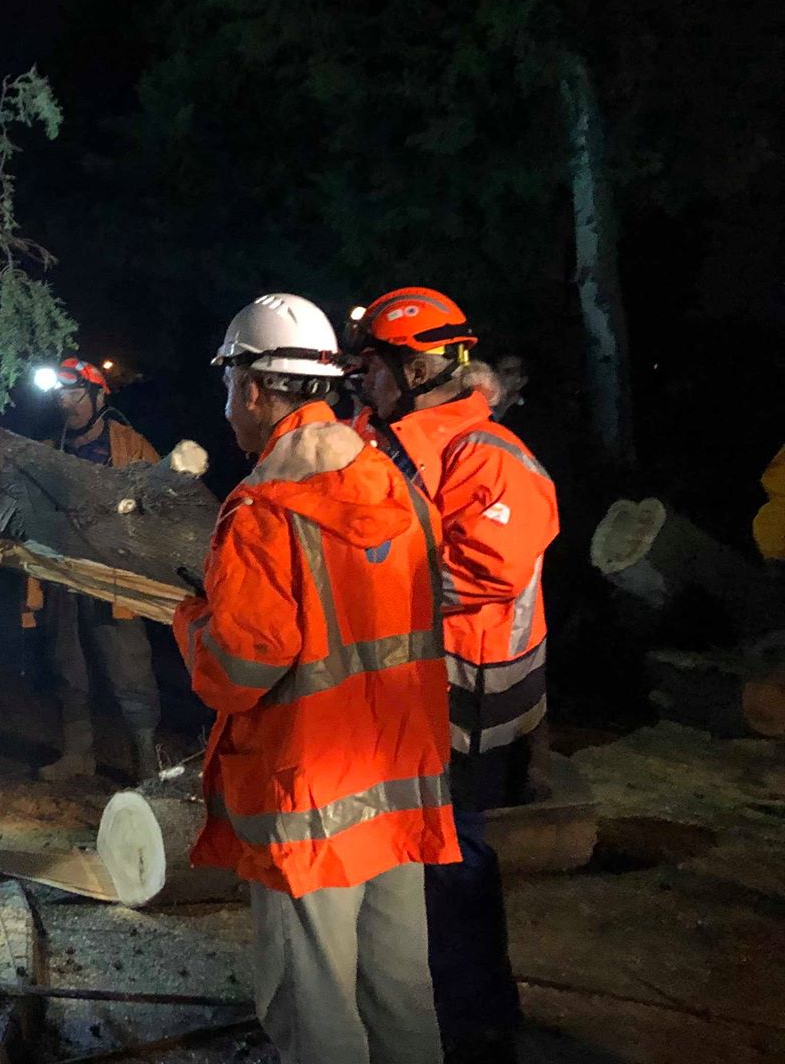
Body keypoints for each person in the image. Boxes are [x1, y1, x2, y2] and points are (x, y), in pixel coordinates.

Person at [175, 293, 457, 1064]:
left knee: (314, 1013)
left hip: (311, 803)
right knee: (401, 999)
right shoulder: (393, 480)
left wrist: (191, 620)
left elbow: (241, 668)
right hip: (400, 786)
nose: (229, 407)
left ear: (257, 389)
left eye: (231, 388)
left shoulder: (266, 510)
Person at [351, 287, 560, 1064]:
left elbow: (482, 573)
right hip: (406, 694)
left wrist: (354, 575)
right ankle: (422, 1009)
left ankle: (477, 1023)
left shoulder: (490, 457)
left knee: (454, 862)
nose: (359, 378)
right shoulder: (388, 436)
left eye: (372, 364)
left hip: (468, 701)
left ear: (419, 365)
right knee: (410, 859)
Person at [34, 356, 165, 781]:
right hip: (64, 575)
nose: (64, 402)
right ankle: (78, 754)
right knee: (66, 664)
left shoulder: (130, 447)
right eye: (60, 394)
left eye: (73, 393)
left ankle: (145, 760)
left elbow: (162, 504)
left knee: (130, 668)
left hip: (114, 579)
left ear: (96, 395)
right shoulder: (49, 449)